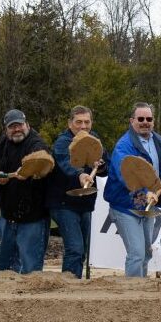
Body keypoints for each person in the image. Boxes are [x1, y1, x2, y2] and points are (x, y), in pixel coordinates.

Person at [103, 102, 161, 277]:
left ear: (153, 121)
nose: (145, 122)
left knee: (146, 252)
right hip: (125, 206)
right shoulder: (124, 145)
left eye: (149, 119)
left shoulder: (157, 139)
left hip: (148, 205)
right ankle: (132, 293)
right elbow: (125, 176)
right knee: (136, 253)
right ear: (131, 120)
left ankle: (141, 290)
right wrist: (146, 192)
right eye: (141, 118)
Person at [0, 109, 51, 273]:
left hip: (33, 218)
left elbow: (44, 157)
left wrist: (30, 167)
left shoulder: (36, 142)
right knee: (3, 270)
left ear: (27, 124)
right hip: (7, 217)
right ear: (6, 129)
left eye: (19, 125)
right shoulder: (1, 144)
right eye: (12, 127)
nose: (17, 129)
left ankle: (30, 299)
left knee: (30, 269)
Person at [45, 106, 109, 278]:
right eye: (78, 122)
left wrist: (101, 166)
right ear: (70, 123)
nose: (83, 126)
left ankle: (76, 282)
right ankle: (68, 286)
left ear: (91, 123)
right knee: (75, 248)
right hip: (63, 203)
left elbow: (106, 166)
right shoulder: (62, 142)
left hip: (85, 204)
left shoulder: (95, 139)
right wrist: (80, 174)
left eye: (86, 122)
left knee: (83, 250)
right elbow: (66, 163)